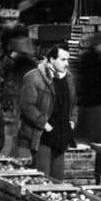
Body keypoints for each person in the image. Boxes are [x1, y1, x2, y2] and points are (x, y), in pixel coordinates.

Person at [18, 45, 78, 178]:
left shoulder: (68, 78)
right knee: (42, 176)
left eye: (67, 60)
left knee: (58, 178)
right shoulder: (34, 77)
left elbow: (73, 103)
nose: (66, 63)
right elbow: (27, 105)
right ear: (51, 59)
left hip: (62, 135)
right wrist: (45, 124)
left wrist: (72, 120)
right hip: (41, 136)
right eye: (63, 60)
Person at [0, 24, 36, 151]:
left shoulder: (7, 57)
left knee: (10, 138)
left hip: (11, 104)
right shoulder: (20, 59)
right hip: (17, 104)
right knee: (13, 139)